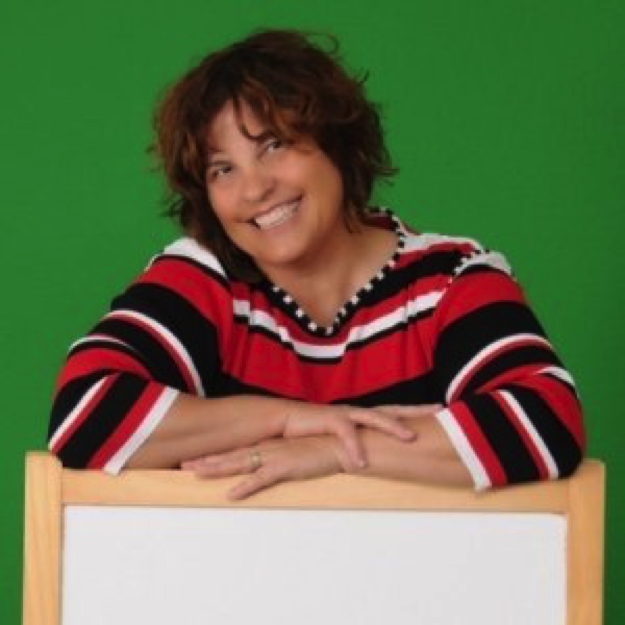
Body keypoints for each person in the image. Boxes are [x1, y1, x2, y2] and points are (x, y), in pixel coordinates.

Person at [48, 29, 585, 500]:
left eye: (274, 145)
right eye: (222, 170)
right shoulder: (206, 278)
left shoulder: (450, 280)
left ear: (336, 143)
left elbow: (544, 422)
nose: (255, 189)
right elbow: (85, 415)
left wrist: (335, 451)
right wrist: (287, 419)